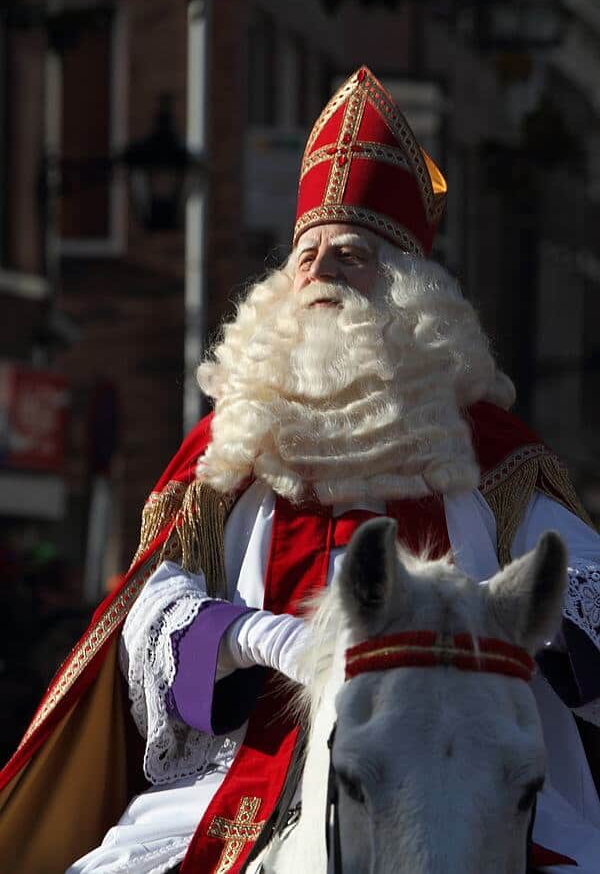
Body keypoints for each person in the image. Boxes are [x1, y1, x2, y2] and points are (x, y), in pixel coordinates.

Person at [1, 66, 599, 874]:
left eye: (348, 255)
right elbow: (149, 616)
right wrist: (260, 638)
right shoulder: (234, 446)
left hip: (463, 784)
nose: (316, 272)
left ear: (409, 289)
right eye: (307, 253)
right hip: (238, 785)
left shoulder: (492, 455)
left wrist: (497, 626)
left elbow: (586, 587)